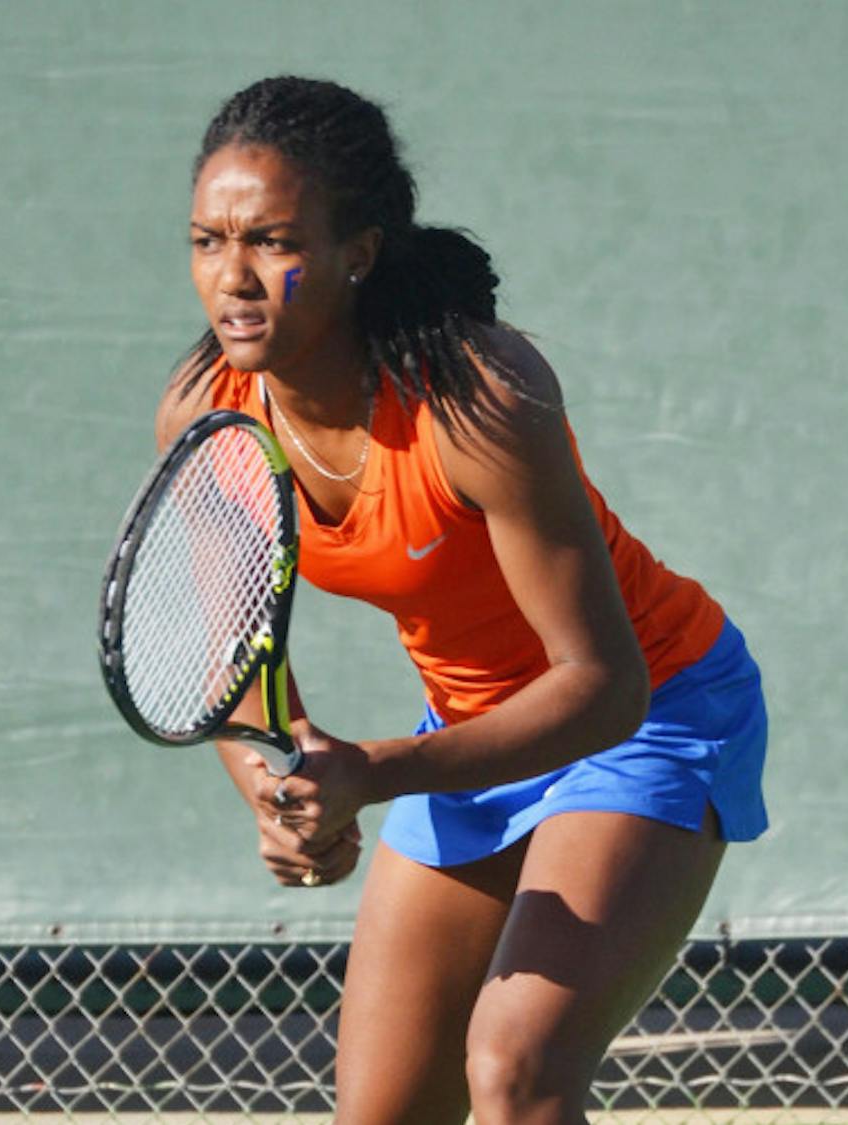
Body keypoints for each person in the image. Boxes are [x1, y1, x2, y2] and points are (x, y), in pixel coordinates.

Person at [155, 76, 769, 1125]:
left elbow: (603, 683)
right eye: (208, 240)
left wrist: (375, 773)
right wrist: (282, 786)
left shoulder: (477, 400)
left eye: (272, 239)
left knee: (516, 1066)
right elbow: (233, 659)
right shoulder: (208, 417)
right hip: (473, 736)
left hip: (653, 709)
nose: (234, 277)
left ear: (360, 250)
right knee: (383, 1115)